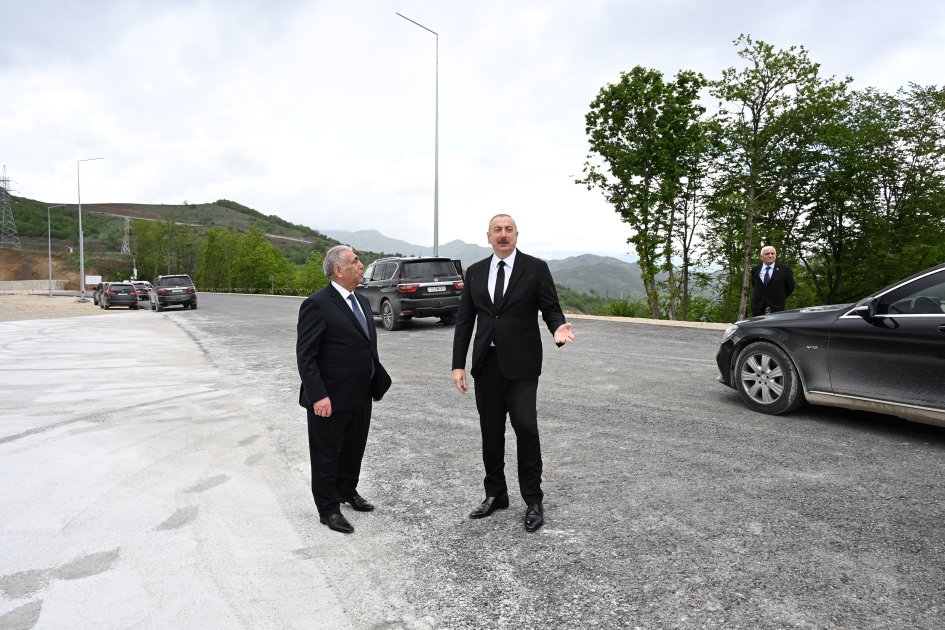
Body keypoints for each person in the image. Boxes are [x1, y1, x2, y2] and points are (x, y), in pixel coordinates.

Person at [451, 214, 574, 533]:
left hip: (521, 365)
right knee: (490, 433)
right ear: (488, 236)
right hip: (486, 366)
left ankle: (533, 499)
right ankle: (496, 495)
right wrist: (458, 364)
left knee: (525, 429)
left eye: (508, 230)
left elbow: (550, 307)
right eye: (497, 230)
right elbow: (465, 320)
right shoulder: (475, 272)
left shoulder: (535, 268)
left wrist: (557, 328)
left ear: (517, 234)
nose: (503, 234)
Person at [296, 245, 391, 534]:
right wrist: (318, 395)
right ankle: (328, 509)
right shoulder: (317, 304)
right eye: (355, 261)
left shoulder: (361, 302)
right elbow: (306, 355)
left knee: (354, 448)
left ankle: (347, 491)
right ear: (338, 269)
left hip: (361, 394)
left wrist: (375, 381)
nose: (362, 265)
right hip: (330, 398)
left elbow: (367, 347)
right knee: (326, 454)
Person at [750, 245, 795, 316]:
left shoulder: (785, 269)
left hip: (777, 308)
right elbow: (755, 287)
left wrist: (779, 297)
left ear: (776, 255)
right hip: (758, 308)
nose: (770, 256)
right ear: (761, 257)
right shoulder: (755, 270)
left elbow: (790, 287)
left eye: (772, 253)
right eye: (767, 254)